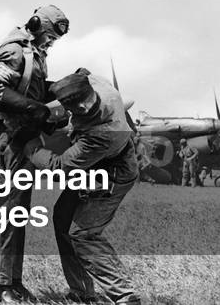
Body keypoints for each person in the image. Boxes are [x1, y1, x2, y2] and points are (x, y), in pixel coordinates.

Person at [0, 4, 69, 303]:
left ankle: (13, 282)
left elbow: (30, 92)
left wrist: (63, 88)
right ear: (36, 25)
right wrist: (32, 107)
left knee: (18, 212)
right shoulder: (14, 51)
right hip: (5, 139)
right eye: (50, 36)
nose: (52, 42)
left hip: (21, 138)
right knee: (8, 211)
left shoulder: (35, 54)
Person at [23, 71, 142, 305]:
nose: (87, 109)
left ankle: (125, 296)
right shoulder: (98, 84)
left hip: (111, 175)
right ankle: (82, 291)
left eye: (88, 104)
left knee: (83, 235)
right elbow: (82, 73)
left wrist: (31, 146)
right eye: (79, 107)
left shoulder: (102, 133)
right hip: (93, 168)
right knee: (62, 218)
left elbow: (59, 167)